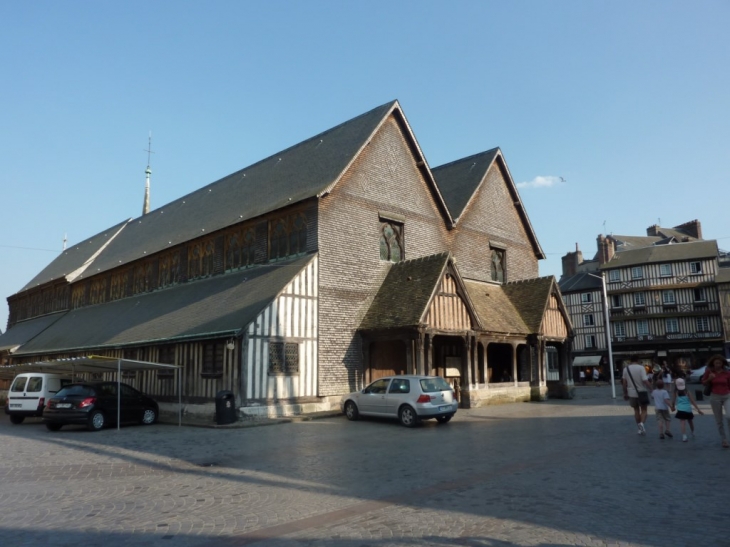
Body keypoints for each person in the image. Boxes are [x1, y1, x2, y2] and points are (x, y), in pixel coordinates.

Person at [701, 354, 730, 448]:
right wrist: (710, 378)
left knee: (729, 416)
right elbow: (703, 383)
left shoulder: (727, 372)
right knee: (719, 420)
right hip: (715, 396)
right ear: (713, 363)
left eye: (720, 363)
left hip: (727, 395)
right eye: (716, 363)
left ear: (723, 364)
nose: (718, 364)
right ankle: (724, 439)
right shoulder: (709, 372)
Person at [622, 356, 652, 435]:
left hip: (631, 393)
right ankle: (642, 423)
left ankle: (639, 428)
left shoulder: (626, 369)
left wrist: (625, 393)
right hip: (641, 391)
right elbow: (645, 380)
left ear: (630, 361)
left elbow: (624, 383)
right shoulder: (641, 368)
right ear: (637, 360)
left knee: (636, 410)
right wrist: (652, 388)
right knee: (644, 410)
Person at [671, 377, 703, 442]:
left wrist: (673, 407)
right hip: (688, 409)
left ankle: (684, 436)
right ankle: (692, 432)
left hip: (680, 409)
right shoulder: (687, 392)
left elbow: (673, 401)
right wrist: (698, 409)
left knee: (682, 423)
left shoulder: (676, 392)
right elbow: (692, 401)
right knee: (690, 421)